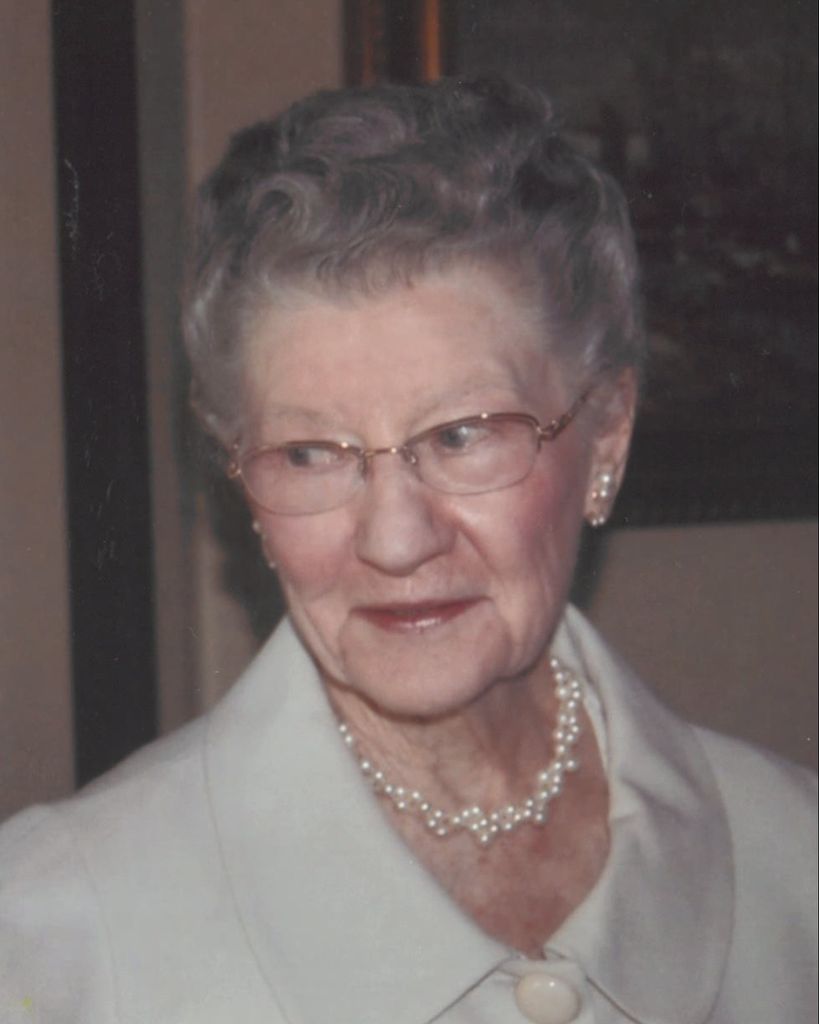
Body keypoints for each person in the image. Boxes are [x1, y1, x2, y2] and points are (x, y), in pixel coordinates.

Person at [0, 78, 815, 1024]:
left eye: (462, 436)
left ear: (606, 436)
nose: (394, 540)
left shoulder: (792, 860)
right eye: (309, 454)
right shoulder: (58, 930)